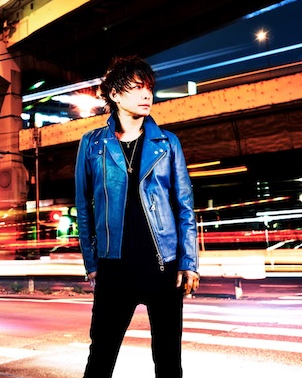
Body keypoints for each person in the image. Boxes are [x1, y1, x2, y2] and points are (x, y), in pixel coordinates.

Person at [75, 54, 200, 378]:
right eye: (136, 88)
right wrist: (92, 263)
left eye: (149, 88)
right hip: (113, 267)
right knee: (100, 359)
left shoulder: (167, 143)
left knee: (168, 362)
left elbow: (184, 206)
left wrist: (189, 262)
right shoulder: (92, 144)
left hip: (163, 267)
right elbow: (84, 207)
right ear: (115, 94)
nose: (147, 95)